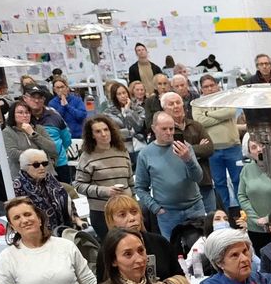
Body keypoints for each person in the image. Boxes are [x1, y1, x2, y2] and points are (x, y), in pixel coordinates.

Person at [135, 111, 206, 239]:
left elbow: (198, 178)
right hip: (168, 213)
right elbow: (140, 187)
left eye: (171, 128)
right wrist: (155, 208)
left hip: (194, 208)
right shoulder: (145, 154)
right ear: (153, 128)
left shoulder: (185, 147)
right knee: (173, 253)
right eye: (164, 129)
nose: (169, 132)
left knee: (201, 249)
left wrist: (188, 160)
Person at [75, 115, 136, 239]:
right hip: (102, 212)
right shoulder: (87, 157)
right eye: (98, 131)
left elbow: (130, 180)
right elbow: (79, 185)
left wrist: (134, 203)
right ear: (92, 135)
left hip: (126, 208)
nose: (103, 134)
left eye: (106, 129)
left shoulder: (122, 151)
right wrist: (105, 191)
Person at [195, 75, 243, 213]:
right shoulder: (197, 103)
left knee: (238, 181)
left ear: (217, 85)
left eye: (212, 85)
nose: (209, 89)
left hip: (233, 147)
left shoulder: (227, 98)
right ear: (201, 89)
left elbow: (230, 112)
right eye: (206, 86)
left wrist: (207, 113)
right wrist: (220, 116)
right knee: (219, 183)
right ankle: (225, 214)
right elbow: (200, 121)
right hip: (213, 150)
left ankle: (243, 213)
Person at [103, 194, 181, 280]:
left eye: (134, 212)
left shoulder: (160, 242)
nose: (132, 218)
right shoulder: (106, 250)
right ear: (112, 221)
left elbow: (180, 276)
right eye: (122, 215)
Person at [14, 147, 81, 232]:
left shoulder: (50, 179)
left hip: (63, 229)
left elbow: (65, 201)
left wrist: (76, 219)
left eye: (44, 163)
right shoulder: (19, 185)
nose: (42, 167)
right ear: (25, 167)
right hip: (37, 233)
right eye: (36, 165)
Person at [1, 104, 58, 186]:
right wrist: (38, 157)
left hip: (46, 174)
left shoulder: (39, 129)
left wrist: (33, 133)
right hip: (22, 177)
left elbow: (52, 148)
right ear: (13, 115)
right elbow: (13, 154)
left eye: (27, 113)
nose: (24, 115)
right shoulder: (7, 132)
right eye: (20, 112)